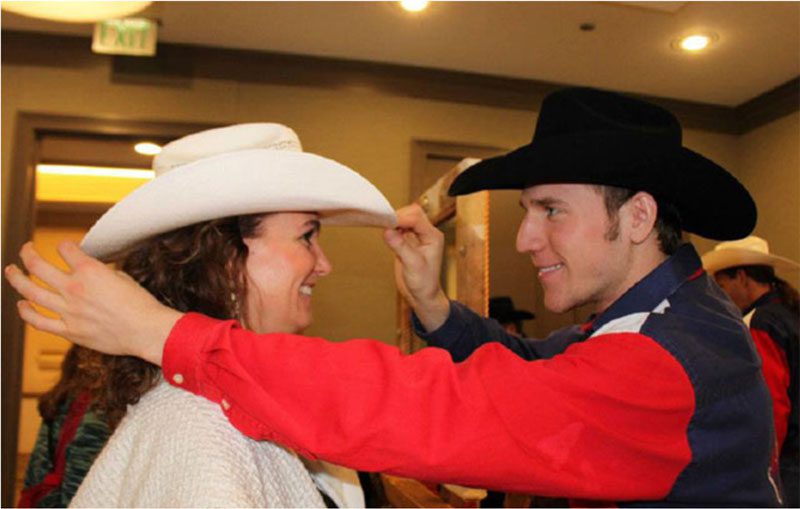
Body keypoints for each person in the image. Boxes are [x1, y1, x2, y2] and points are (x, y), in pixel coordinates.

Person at [5, 88, 781, 506]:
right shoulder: (647, 328)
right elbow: (528, 377)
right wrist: (434, 306)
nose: (524, 240)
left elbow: (458, 407)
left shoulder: (675, 359)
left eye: (551, 210)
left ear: (638, 215)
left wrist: (168, 333)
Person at [26, 123, 396, 507]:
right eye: (306, 236)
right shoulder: (196, 426)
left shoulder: (245, 398)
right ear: (225, 260)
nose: (324, 265)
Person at [703, 235, 799, 507]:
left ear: (742, 277)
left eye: (722, 285)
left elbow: (772, 403)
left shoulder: (761, 323)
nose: (722, 294)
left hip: (789, 462)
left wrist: (766, 469)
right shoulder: (789, 311)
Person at [18, 346, 112, 507]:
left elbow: (38, 465)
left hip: (47, 498)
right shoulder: (100, 412)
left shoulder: (59, 400)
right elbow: (79, 476)